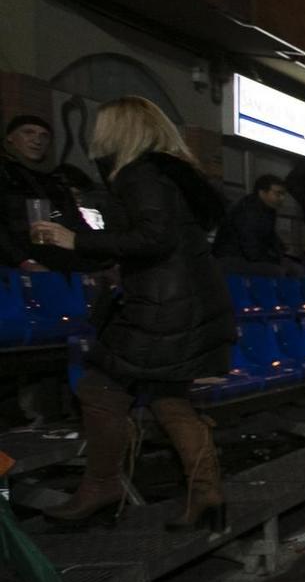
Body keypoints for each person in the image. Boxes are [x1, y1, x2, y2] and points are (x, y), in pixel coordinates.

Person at [28, 97, 233, 530]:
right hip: (183, 302)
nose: (94, 136)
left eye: (101, 126)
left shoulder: (140, 174)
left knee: (101, 390)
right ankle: (206, 495)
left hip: (161, 306)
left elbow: (153, 238)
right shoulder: (171, 174)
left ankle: (101, 487)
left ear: (120, 131)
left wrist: (76, 242)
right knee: (169, 398)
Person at [1, 112, 95, 272]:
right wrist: (23, 261)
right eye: (28, 132)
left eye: (44, 136)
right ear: (10, 137)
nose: (37, 140)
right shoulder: (5, 174)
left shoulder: (55, 179)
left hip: (62, 264)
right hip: (16, 270)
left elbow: (75, 222)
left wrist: (98, 251)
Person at [212, 175, 291, 274]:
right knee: (278, 271)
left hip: (247, 257)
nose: (282, 198)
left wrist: (280, 251)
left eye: (284, 194)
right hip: (231, 258)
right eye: (278, 194)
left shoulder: (268, 211)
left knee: (294, 269)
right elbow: (251, 248)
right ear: (262, 193)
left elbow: (271, 237)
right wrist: (275, 259)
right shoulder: (247, 211)